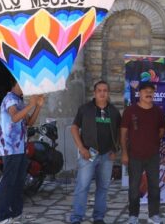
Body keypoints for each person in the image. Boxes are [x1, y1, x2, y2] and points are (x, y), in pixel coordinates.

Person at [69, 80, 122, 224]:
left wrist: (116, 149)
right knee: (82, 187)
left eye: (105, 90)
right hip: (88, 154)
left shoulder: (114, 111)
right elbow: (74, 128)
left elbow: (119, 131)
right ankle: (77, 218)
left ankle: (98, 217)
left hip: (106, 155)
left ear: (108, 93)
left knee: (103, 188)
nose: (102, 93)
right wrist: (81, 148)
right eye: (99, 90)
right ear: (95, 93)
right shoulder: (85, 109)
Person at [0, 81, 43, 224]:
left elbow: (29, 122)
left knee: (18, 182)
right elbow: (15, 117)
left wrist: (38, 106)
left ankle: (16, 214)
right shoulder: (10, 98)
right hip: (10, 148)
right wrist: (31, 103)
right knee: (8, 182)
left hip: (21, 147)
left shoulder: (19, 101)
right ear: (16, 82)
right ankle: (4, 217)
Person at [122, 82, 165, 224]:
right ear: (139, 93)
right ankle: (133, 216)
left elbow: (161, 130)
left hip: (153, 156)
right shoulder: (130, 111)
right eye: (145, 91)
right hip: (134, 155)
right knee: (134, 188)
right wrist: (124, 153)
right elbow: (123, 134)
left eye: (151, 91)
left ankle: (154, 215)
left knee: (154, 187)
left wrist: (151, 141)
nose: (149, 93)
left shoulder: (158, 112)